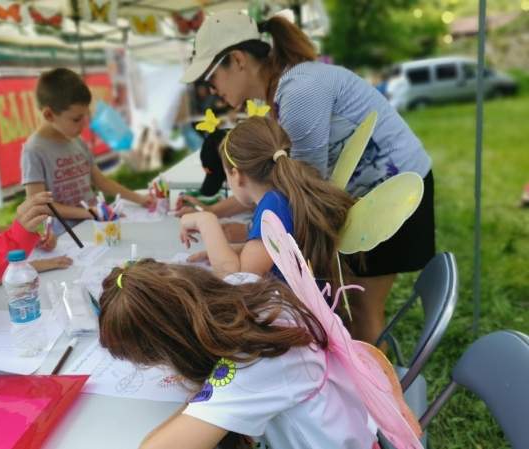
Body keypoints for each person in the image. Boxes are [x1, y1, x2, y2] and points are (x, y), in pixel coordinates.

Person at [180, 10, 436, 344]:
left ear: (238, 60)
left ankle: (376, 392)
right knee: (351, 307)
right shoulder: (287, 88)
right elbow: (287, 188)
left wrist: (243, 234)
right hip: (369, 193)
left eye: (209, 77)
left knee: (363, 312)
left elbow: (301, 193)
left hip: (391, 196)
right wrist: (216, 216)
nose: (210, 89)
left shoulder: (299, 91)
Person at [98, 260, 380, 449]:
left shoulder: (249, 364)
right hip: (354, 422)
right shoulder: (244, 289)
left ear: (174, 347)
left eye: (158, 360)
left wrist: (197, 402)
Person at [179, 116, 353, 283]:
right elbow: (277, 253)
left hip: (291, 311)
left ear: (236, 175)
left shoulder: (272, 208)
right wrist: (225, 251)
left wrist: (206, 221)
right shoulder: (284, 197)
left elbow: (240, 281)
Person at [22, 67, 153, 234]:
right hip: (67, 238)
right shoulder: (34, 151)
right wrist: (88, 213)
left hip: (95, 225)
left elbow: (101, 181)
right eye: (76, 119)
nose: (84, 123)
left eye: (86, 115)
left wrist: (140, 199)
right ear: (49, 115)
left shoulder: (77, 140)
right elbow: (39, 205)